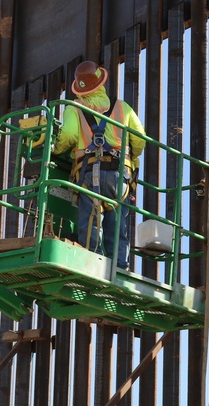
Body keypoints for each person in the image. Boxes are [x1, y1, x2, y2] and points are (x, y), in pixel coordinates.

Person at [51, 60, 146, 269]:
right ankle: (119, 268)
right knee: (117, 225)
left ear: (79, 88)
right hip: (119, 176)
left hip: (89, 173)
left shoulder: (74, 108)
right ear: (101, 81)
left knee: (91, 223)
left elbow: (68, 135)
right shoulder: (122, 108)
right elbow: (140, 139)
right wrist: (130, 158)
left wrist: (55, 150)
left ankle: (91, 263)